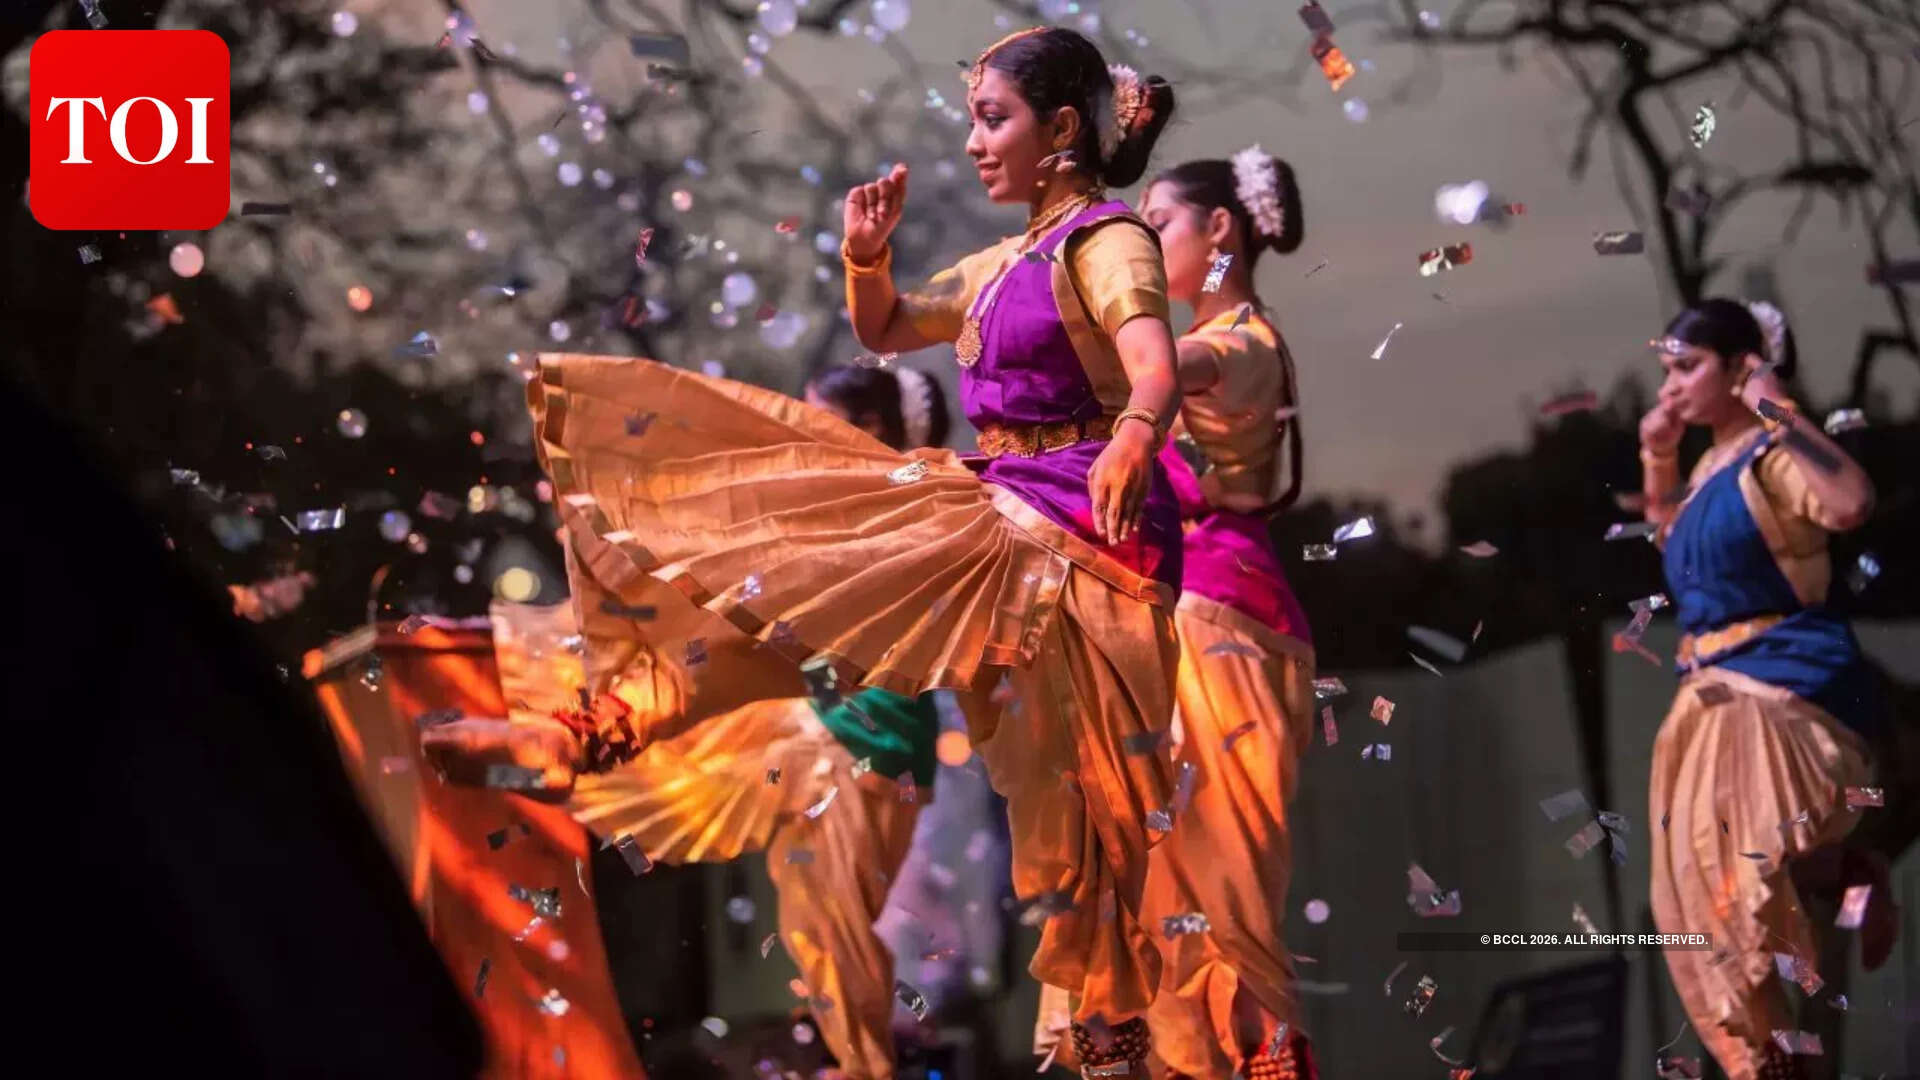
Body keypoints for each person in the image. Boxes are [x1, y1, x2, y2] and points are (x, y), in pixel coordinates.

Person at [504, 25, 1186, 1076]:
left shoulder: (1108, 243)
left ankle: (1106, 1038)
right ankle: (621, 695)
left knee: (1085, 817)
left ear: (1061, 129)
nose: (971, 142)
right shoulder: (1004, 261)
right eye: (970, 118)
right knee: (1047, 818)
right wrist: (865, 254)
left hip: (1079, 539)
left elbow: (1151, 363)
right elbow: (886, 328)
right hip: (1002, 521)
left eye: (992, 119)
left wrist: (1138, 433)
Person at [1036, 147, 1319, 1080]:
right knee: (1145, 889)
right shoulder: (1184, 346)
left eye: (1160, 228)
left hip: (1227, 629)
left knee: (1224, 897)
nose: (1146, 247)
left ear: (1222, 231)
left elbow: (1161, 363)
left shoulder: (1242, 347)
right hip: (1166, 623)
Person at [1638, 298, 1893, 1080]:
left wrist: (1776, 408)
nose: (1672, 386)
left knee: (1744, 881)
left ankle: (1784, 1046)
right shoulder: (1711, 469)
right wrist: (1657, 462)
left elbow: (1851, 504)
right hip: (1707, 697)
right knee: (1689, 900)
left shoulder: (1773, 457)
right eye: (1667, 372)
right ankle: (1766, 1055)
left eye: (1688, 367)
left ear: (1742, 367)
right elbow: (1680, 563)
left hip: (1781, 690)